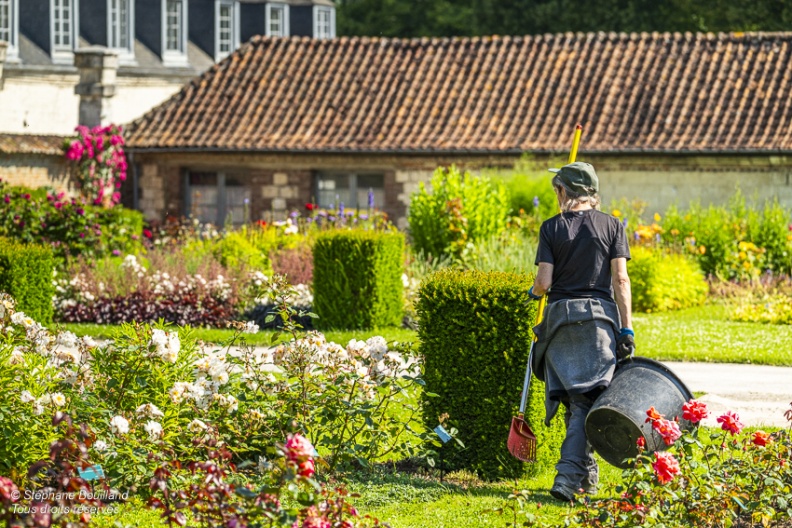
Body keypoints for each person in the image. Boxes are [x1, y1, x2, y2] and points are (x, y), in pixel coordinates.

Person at [527, 161, 635, 502]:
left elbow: (544, 282)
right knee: (585, 401)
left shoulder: (550, 227)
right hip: (598, 322)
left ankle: (585, 480)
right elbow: (620, 280)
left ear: (563, 190)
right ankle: (568, 479)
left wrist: (533, 293)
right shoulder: (613, 225)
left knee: (579, 404)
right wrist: (626, 328)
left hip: (560, 322)